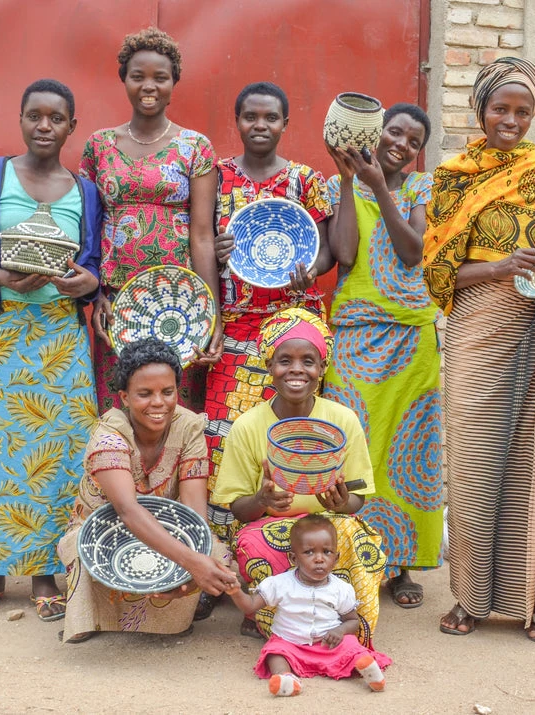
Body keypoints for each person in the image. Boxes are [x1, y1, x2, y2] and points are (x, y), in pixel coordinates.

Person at [421, 57, 535, 642]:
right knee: (474, 463)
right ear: (481, 109)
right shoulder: (453, 177)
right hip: (478, 330)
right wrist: (499, 267)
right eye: (501, 108)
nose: (511, 120)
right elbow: (438, 273)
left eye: (523, 111)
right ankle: (471, 599)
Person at [0, 79, 103, 621]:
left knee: (59, 452)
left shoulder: (86, 192)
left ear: (72, 126)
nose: (44, 126)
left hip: (59, 336)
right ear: (21, 119)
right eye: (35, 116)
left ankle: (46, 573)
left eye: (56, 118)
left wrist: (88, 284)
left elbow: (92, 264)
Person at [202, 81, 333, 602]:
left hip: (293, 325)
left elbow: (327, 248)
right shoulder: (215, 176)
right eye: (250, 116)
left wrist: (311, 270)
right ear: (237, 121)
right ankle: (224, 568)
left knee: (293, 439)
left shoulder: (305, 180)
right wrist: (216, 250)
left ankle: (290, 566)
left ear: (285, 124)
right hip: (236, 324)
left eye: (270, 117)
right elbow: (199, 240)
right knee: (225, 441)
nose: (260, 125)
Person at [323, 103, 442, 610]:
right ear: (377, 132)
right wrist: (353, 182)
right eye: (394, 132)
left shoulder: (422, 188)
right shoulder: (340, 184)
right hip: (354, 333)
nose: (401, 145)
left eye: (414, 142)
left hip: (411, 336)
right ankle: (350, 560)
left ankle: (403, 564)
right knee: (353, 445)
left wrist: (380, 188)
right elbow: (345, 255)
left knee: (408, 448)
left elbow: (413, 251)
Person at [210, 308, 386, 643]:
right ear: (269, 367)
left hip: (325, 526)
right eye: (284, 360)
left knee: (359, 538)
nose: (296, 369)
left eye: (308, 361)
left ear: (322, 368)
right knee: (254, 543)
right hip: (268, 528)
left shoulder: (343, 420)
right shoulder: (247, 426)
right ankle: (275, 623)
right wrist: (262, 500)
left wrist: (341, 502)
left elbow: (356, 501)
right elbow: (238, 510)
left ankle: (346, 626)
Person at [56, 338, 238, 643]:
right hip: (104, 531)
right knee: (80, 546)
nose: (158, 403)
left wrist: (195, 558)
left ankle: (169, 615)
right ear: (125, 397)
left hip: (167, 529)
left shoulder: (189, 426)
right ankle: (90, 617)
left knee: (214, 551)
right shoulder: (109, 436)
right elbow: (127, 511)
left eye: (167, 392)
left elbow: (194, 514)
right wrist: (191, 563)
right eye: (145, 394)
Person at [81, 27, 222, 413]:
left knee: (172, 410)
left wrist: (212, 314)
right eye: (137, 76)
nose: (149, 86)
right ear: (123, 79)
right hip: (117, 303)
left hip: (181, 304)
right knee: (120, 408)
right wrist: (97, 296)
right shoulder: (99, 146)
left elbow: (202, 235)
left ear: (173, 82)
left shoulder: (195, 147)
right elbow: (88, 229)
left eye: (160, 77)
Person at [226, 514, 390, 697]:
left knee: (351, 645)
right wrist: (235, 592)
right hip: (290, 643)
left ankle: (368, 671)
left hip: (328, 644)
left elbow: (352, 621)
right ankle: (285, 678)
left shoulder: (341, 588)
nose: (319, 559)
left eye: (327, 552)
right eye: (309, 552)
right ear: (294, 558)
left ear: (336, 558)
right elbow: (250, 607)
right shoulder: (279, 584)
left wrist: (340, 631)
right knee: (274, 652)